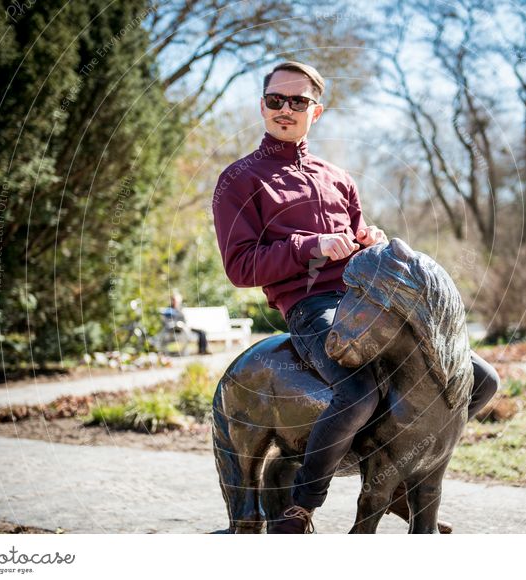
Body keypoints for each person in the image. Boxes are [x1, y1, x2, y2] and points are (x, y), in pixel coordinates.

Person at [212, 61, 500, 534]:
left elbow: (359, 241)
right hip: (312, 307)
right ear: (261, 106)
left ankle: (400, 481)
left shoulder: (339, 177)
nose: (285, 109)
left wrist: (369, 240)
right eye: (275, 100)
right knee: (357, 390)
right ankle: (300, 506)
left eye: (298, 101)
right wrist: (313, 246)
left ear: (316, 111)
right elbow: (241, 267)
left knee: (481, 379)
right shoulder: (240, 180)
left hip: (368, 299)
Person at [163, 291, 210, 355]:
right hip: (177, 330)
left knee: (202, 332)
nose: (176, 302)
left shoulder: (180, 309)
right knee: (196, 332)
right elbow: (168, 322)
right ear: (172, 300)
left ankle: (202, 350)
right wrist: (178, 324)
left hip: (185, 327)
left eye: (177, 300)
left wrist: (186, 324)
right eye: (175, 300)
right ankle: (202, 350)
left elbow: (184, 320)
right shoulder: (169, 310)